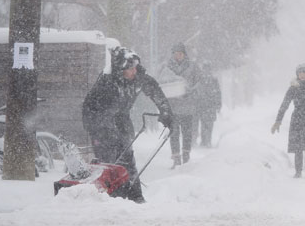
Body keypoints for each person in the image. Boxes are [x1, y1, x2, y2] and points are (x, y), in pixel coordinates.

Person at [82, 46, 173, 203]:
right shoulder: (107, 83)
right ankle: (110, 200)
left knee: (128, 161)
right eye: (130, 69)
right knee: (110, 164)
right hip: (100, 124)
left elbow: (154, 90)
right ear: (121, 69)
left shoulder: (138, 77)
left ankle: (135, 197)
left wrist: (166, 112)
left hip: (121, 121)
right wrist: (104, 132)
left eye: (135, 67)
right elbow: (93, 109)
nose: (134, 71)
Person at [271, 63, 305, 178]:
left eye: (304, 72)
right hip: (298, 119)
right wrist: (278, 121)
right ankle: (298, 172)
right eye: (300, 72)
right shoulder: (293, 87)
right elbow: (284, 104)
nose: (302, 75)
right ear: (297, 74)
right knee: (298, 147)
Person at [165, 42, 202, 167]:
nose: (177, 56)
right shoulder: (167, 67)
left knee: (187, 133)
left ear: (184, 54)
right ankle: (176, 159)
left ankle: (186, 157)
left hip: (187, 106)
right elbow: (162, 82)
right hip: (173, 106)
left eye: (180, 54)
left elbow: (199, 82)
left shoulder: (193, 66)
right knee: (174, 133)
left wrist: (190, 91)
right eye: (175, 54)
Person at [195, 60, 222, 148]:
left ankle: (206, 141)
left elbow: (218, 92)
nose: (206, 71)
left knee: (207, 124)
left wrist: (218, 104)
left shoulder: (207, 79)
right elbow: (218, 93)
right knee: (206, 124)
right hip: (207, 105)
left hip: (207, 105)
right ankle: (206, 141)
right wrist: (218, 104)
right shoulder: (207, 79)